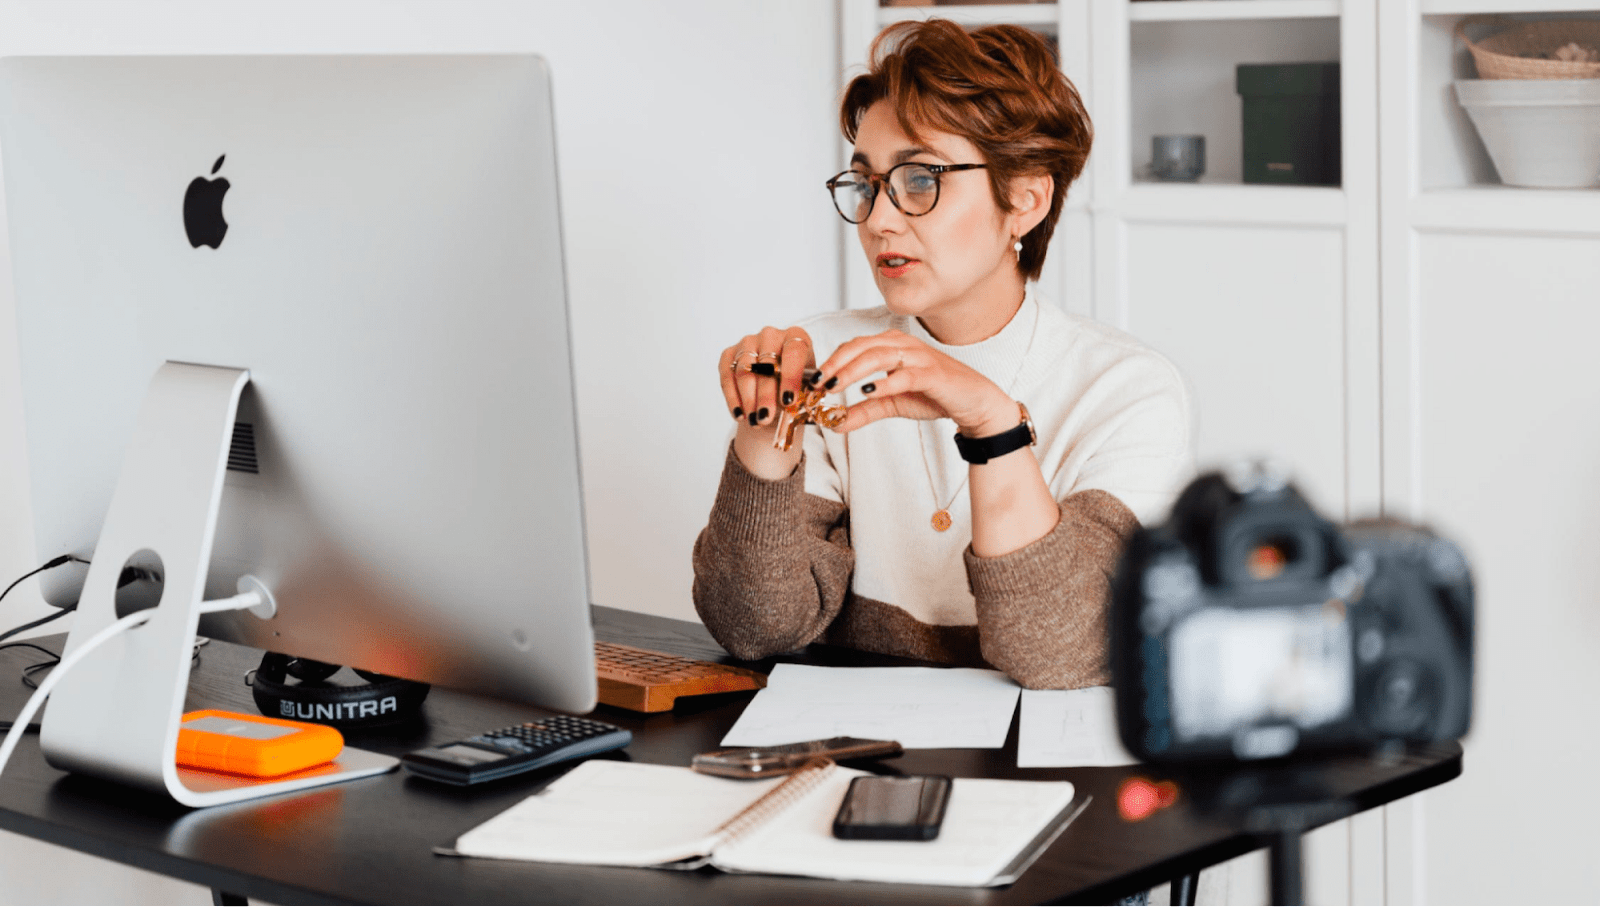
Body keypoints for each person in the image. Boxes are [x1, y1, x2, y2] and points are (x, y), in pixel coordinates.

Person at [692, 19, 1193, 689]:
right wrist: (764, 440)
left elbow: (1062, 652)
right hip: (858, 754)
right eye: (867, 183)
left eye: (920, 179)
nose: (879, 219)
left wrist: (993, 424)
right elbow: (755, 627)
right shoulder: (826, 357)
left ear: (1026, 199)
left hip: (1042, 773)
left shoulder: (1127, 390)